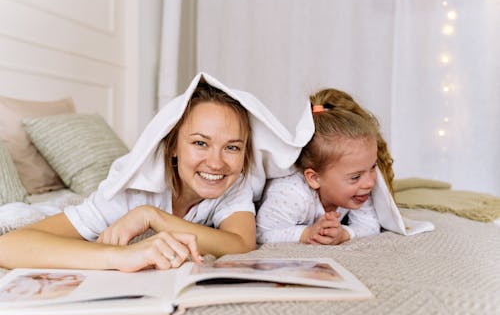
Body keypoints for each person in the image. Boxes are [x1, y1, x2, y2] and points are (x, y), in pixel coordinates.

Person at [0, 73, 314, 272]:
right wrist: (118, 257)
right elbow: (8, 246)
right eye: (201, 143)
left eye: (232, 147)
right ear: (173, 146)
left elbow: (241, 243)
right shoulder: (128, 195)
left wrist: (155, 218)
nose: (217, 163)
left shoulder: (232, 182)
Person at [256, 88, 394, 245]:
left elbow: (369, 225)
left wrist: (345, 233)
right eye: (355, 177)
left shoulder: (359, 191)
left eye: (373, 167)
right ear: (314, 178)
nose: (370, 182)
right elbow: (261, 233)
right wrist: (307, 233)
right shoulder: (291, 194)